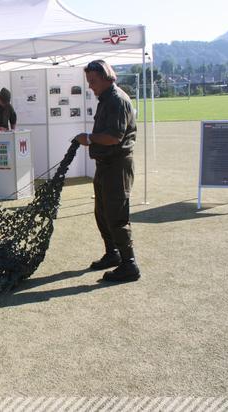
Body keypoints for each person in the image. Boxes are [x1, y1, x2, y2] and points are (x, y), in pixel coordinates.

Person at [74, 60, 140, 282]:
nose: (90, 86)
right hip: (106, 165)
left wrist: (89, 138)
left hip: (117, 166)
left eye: (93, 81)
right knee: (102, 213)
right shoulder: (106, 99)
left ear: (105, 78)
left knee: (116, 215)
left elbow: (114, 137)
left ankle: (129, 265)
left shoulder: (117, 100)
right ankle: (113, 253)